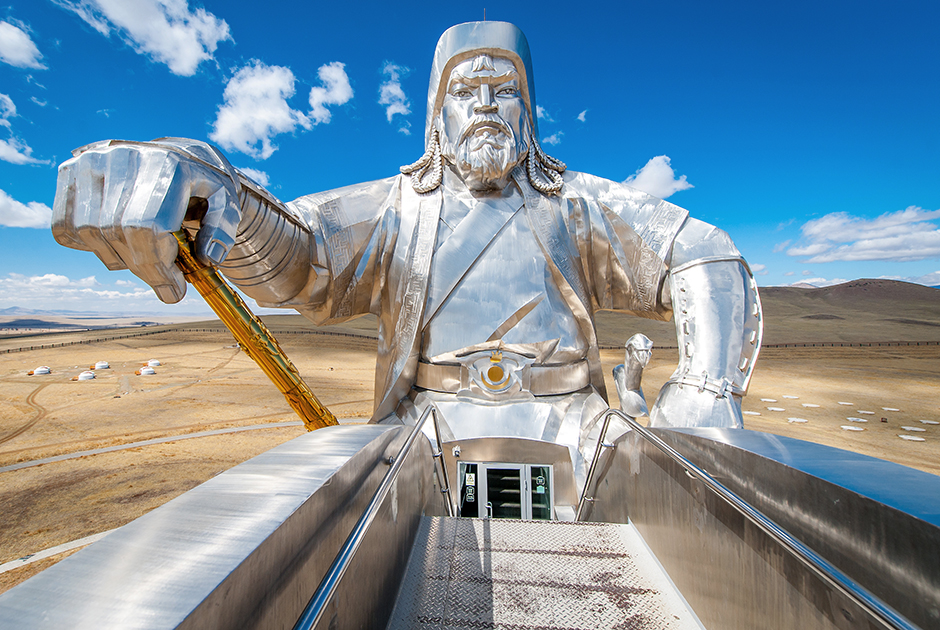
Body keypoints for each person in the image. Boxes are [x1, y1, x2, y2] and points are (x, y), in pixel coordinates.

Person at [52, 22, 761, 483]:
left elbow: (700, 250)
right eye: (466, 90)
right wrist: (215, 188)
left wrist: (708, 387)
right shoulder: (397, 208)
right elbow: (303, 259)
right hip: (424, 429)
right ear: (437, 111)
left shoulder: (574, 202)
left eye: (504, 90)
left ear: (528, 109)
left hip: (574, 427)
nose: (485, 104)